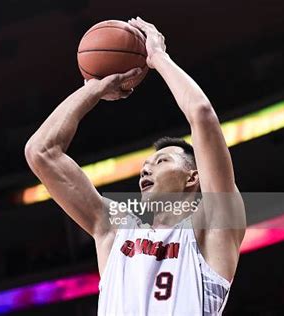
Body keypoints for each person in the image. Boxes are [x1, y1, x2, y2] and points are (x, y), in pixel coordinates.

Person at [25, 16, 246, 315]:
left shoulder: (212, 232)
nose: (146, 169)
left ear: (193, 178)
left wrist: (158, 57)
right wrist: (94, 89)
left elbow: (201, 114)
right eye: (146, 164)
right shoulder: (114, 232)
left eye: (161, 161)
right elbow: (41, 151)